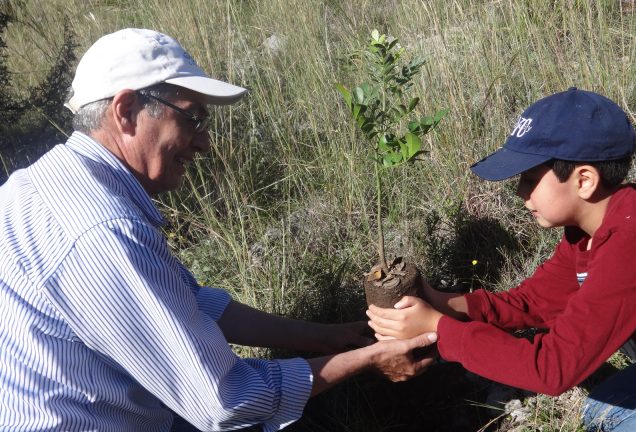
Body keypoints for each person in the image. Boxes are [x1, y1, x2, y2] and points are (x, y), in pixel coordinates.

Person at [0, 28, 437, 431]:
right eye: (191, 119)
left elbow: (190, 303)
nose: (205, 142)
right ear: (127, 110)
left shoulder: (39, 184)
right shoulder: (102, 231)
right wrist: (367, 360)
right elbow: (226, 400)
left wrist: (326, 336)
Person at [367, 87, 636, 430]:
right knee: (602, 408)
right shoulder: (591, 231)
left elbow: (552, 370)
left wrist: (441, 329)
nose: (520, 194)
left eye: (528, 178)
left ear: (584, 179)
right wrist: (444, 303)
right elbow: (534, 304)